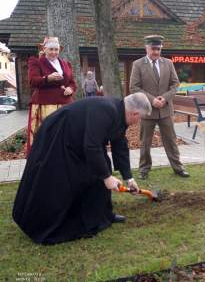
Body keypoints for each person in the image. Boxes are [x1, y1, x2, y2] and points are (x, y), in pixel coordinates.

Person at [12, 93, 151, 244]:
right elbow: (91, 147)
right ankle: (45, 224)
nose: (139, 122)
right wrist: (106, 177)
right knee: (61, 179)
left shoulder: (119, 113)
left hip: (79, 141)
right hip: (58, 137)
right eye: (141, 118)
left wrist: (128, 178)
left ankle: (102, 216)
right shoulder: (107, 110)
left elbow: (119, 146)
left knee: (102, 165)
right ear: (134, 113)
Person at [130, 35, 189, 179]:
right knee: (145, 142)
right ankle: (144, 169)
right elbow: (134, 87)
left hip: (165, 109)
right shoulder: (138, 64)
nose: (156, 52)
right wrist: (152, 100)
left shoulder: (168, 63)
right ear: (146, 48)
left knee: (170, 140)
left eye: (158, 49)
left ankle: (178, 168)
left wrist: (166, 97)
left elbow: (175, 84)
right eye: (153, 48)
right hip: (147, 111)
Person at [26, 36, 77, 155]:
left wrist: (71, 88)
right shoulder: (36, 62)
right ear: (44, 49)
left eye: (56, 49)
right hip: (46, 104)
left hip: (65, 104)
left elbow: (72, 82)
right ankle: (45, 158)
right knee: (49, 134)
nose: (54, 52)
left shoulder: (66, 64)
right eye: (51, 49)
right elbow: (32, 81)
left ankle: (65, 157)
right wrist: (47, 78)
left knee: (66, 134)